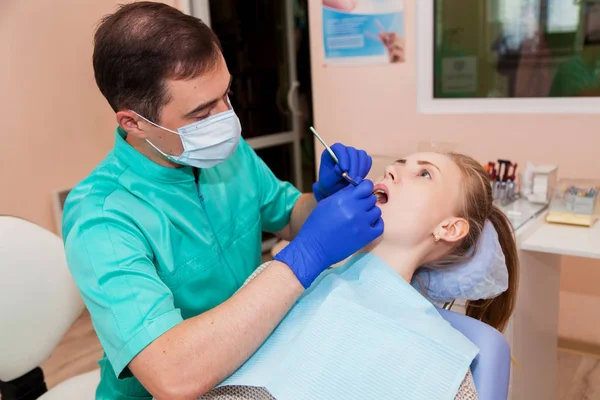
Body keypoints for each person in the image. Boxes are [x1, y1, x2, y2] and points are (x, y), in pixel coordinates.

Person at [62, 3, 383, 399]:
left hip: (250, 368)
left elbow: (288, 216)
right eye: (202, 112)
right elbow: (173, 376)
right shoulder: (102, 217)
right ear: (134, 123)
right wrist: (304, 258)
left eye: (225, 94)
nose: (226, 118)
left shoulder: (224, 154)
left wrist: (322, 200)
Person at [201, 151, 519, 399]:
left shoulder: (442, 358)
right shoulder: (285, 281)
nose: (391, 169)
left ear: (449, 228)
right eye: (398, 164)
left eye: (424, 174)